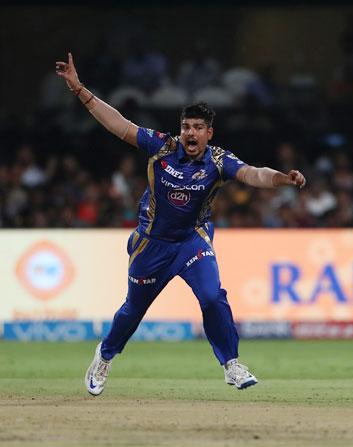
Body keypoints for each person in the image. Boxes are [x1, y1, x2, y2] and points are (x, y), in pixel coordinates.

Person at [56, 53, 306, 395]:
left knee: (212, 296)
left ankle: (231, 364)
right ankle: (105, 355)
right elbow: (118, 124)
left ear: (209, 133)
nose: (191, 132)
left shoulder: (219, 161)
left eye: (198, 128)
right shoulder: (162, 147)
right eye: (187, 126)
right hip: (152, 244)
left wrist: (283, 179)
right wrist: (80, 90)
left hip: (192, 242)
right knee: (133, 310)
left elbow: (253, 173)